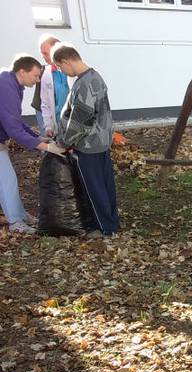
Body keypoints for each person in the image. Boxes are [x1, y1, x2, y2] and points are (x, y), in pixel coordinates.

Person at [52, 42, 119, 236]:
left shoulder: (84, 84)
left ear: (66, 61)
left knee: (93, 188)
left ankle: (102, 227)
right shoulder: (94, 77)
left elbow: (81, 120)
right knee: (105, 185)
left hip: (88, 145)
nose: (63, 72)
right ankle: (111, 222)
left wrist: (64, 142)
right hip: (101, 142)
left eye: (61, 68)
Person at [0, 54, 65, 234]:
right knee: (6, 181)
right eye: (35, 76)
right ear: (22, 71)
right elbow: (13, 129)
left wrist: (37, 137)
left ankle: (19, 214)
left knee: (7, 180)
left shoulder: (12, 82)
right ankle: (16, 222)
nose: (38, 80)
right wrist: (47, 147)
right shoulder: (6, 86)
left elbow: (15, 120)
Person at [31, 34, 71, 138]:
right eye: (42, 53)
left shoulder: (71, 71)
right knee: (51, 144)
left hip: (69, 118)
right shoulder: (46, 73)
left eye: (46, 53)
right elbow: (45, 103)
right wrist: (48, 126)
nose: (44, 57)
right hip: (52, 116)